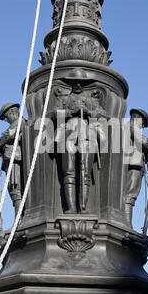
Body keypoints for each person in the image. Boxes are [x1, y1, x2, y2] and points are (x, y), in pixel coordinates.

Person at [52, 81, 107, 213]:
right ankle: (71, 208)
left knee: (85, 173)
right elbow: (54, 113)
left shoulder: (91, 101)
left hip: (87, 136)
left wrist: (89, 112)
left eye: (80, 82)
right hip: (68, 134)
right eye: (75, 82)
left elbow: (104, 115)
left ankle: (82, 207)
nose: (78, 85)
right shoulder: (64, 99)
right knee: (69, 172)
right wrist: (71, 112)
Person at [0, 102, 26, 218]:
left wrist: (0, 141)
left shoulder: (20, 122)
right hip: (11, 161)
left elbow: (8, 135)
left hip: (15, 161)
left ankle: (19, 220)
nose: (6, 121)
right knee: (14, 191)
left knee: (16, 189)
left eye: (6, 118)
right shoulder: (17, 124)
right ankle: (18, 219)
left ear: (12, 112)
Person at [124, 108, 148, 226]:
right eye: (142, 124)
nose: (142, 127)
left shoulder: (125, 127)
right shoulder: (132, 126)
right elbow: (144, 142)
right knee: (131, 194)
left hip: (131, 163)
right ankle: (126, 224)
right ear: (138, 119)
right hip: (134, 163)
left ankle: (126, 223)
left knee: (130, 193)